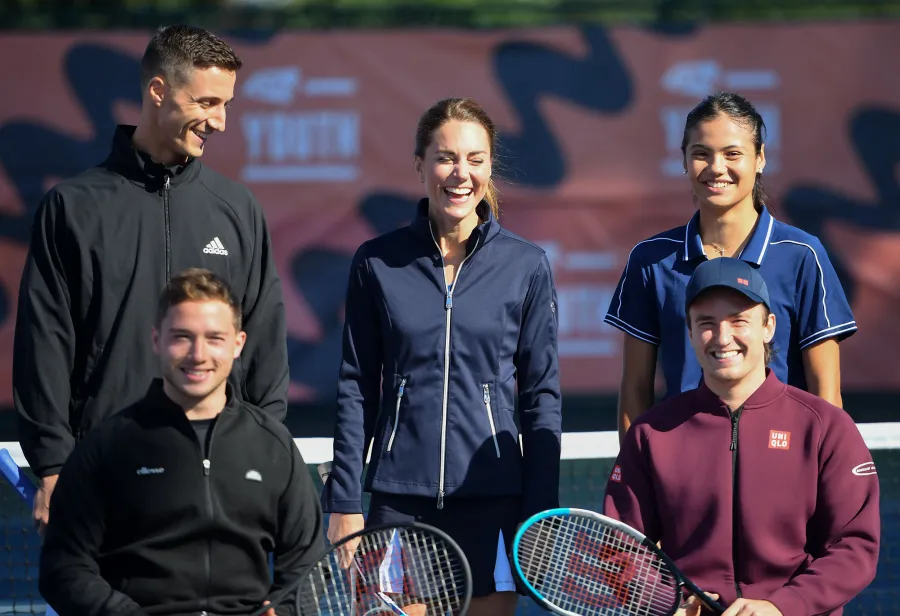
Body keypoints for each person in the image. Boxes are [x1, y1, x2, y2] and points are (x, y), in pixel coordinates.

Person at [14, 24, 289, 534]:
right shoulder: (72, 207)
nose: (221, 121)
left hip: (218, 480)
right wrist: (53, 467)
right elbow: (44, 345)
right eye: (207, 102)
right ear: (158, 90)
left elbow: (264, 346)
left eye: (226, 104)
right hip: (104, 478)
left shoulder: (238, 209)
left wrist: (264, 454)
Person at [322, 97, 562, 616]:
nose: (461, 173)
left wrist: (540, 511)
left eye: (475, 159)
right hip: (396, 501)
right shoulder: (376, 263)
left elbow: (542, 397)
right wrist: (343, 500)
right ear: (420, 164)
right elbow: (356, 385)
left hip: (493, 503)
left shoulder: (527, 266)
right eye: (446, 157)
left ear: (490, 167)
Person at [604, 257, 880, 616]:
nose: (722, 337)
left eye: (739, 320)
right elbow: (622, 547)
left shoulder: (826, 426)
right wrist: (667, 602)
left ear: (768, 327)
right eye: (706, 323)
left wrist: (781, 607)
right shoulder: (651, 433)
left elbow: (855, 546)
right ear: (689, 332)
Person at [39, 268, 323, 616]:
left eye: (214, 338)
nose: (198, 354)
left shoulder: (273, 446)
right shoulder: (108, 446)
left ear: (238, 344)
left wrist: (287, 610)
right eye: (182, 337)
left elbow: (307, 565)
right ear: (157, 340)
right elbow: (63, 567)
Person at [604, 92, 856, 443]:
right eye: (701, 154)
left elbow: (826, 395)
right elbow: (635, 389)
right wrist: (634, 476)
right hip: (682, 465)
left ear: (760, 159)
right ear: (684, 160)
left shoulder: (802, 254)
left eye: (732, 153)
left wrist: (822, 480)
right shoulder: (651, 259)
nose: (716, 167)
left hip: (782, 463)